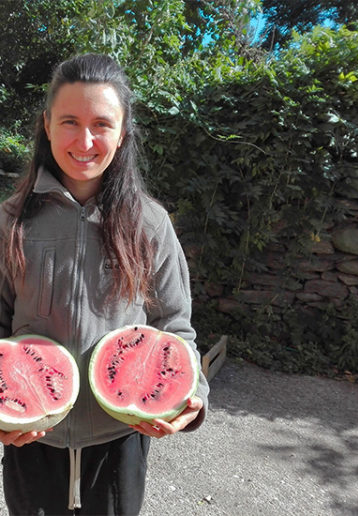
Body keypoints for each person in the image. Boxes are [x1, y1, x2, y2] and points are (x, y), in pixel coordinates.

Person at [0, 53, 209, 515]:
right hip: (30, 440)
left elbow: (176, 328)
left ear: (123, 132)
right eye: (70, 121)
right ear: (47, 126)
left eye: (102, 124)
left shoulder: (150, 224)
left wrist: (193, 400)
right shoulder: (9, 222)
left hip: (119, 443)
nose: (86, 140)